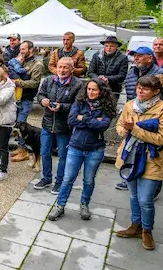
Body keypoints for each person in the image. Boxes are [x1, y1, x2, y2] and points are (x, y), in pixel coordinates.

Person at [48, 79, 117, 221]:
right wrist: (93, 120)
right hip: (75, 146)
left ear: (101, 91)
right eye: (89, 89)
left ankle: (84, 204)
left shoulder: (106, 107)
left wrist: (83, 118)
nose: (90, 92)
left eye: (94, 89)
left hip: (95, 149)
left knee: (89, 180)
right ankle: (60, 206)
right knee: (68, 179)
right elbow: (71, 120)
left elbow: (103, 125)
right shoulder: (79, 102)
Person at [115, 75, 163, 251]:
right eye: (138, 87)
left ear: (156, 91)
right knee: (133, 195)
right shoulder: (130, 105)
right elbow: (119, 126)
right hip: (130, 156)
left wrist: (134, 129)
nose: (140, 91)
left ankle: (147, 231)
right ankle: (136, 225)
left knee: (145, 199)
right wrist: (124, 130)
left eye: (145, 88)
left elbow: (160, 138)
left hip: (153, 160)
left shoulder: (161, 109)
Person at [34, 57, 82, 193]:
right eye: (60, 67)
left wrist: (62, 107)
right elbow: (40, 94)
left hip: (64, 126)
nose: (62, 70)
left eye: (65, 67)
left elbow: (77, 105)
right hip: (47, 123)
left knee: (63, 155)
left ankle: (60, 181)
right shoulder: (48, 80)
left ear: (72, 69)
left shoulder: (77, 84)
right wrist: (42, 100)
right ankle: (46, 178)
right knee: (44, 152)